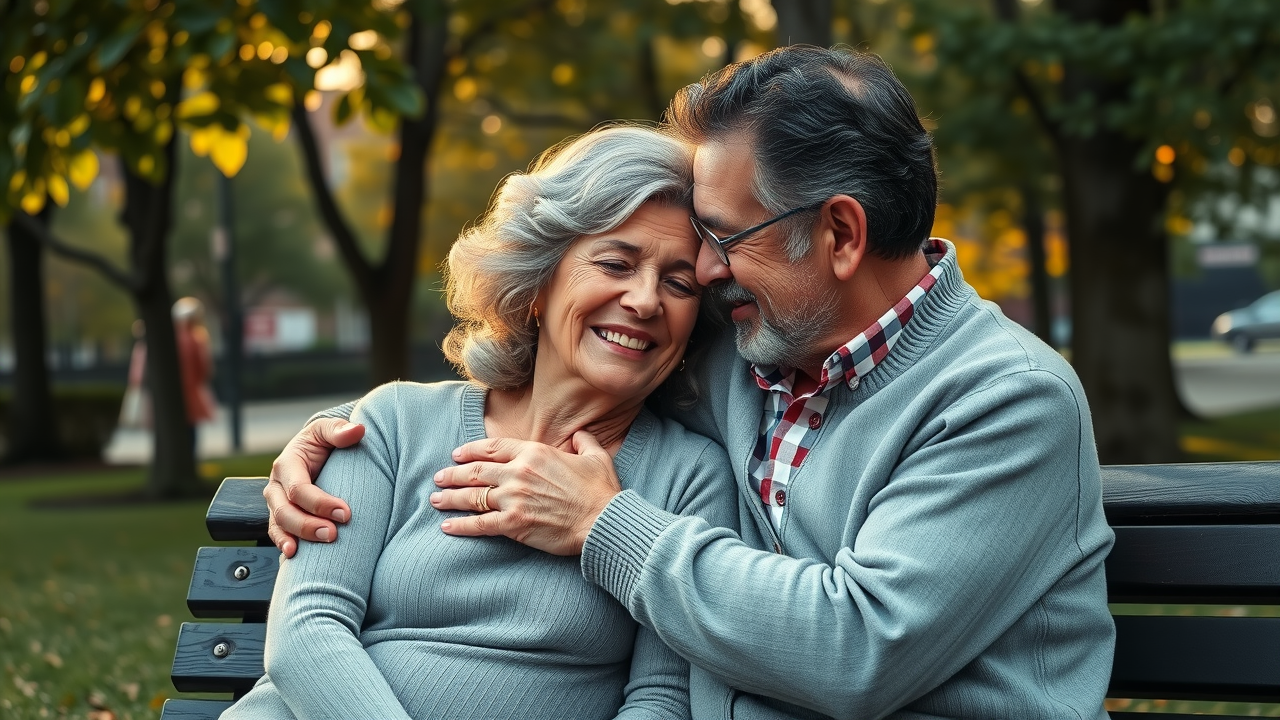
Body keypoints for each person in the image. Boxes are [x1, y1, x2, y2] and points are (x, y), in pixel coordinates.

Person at [267, 47, 1115, 719]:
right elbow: (584, 349)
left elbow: (859, 652)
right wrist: (334, 440)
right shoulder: (754, 349)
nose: (701, 274)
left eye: (723, 236)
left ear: (841, 235)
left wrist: (607, 525)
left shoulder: (1005, 400)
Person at [222, 125, 736, 720]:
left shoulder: (688, 477)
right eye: (615, 263)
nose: (646, 301)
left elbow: (660, 699)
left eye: (678, 283)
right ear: (539, 281)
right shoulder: (391, 425)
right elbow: (306, 634)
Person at [172, 297, 217, 447]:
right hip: (191, 390)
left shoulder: (173, 338)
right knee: (190, 429)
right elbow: (204, 368)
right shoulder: (196, 338)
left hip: (177, 392)